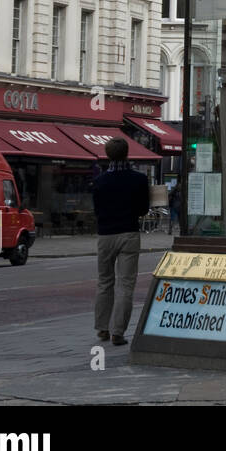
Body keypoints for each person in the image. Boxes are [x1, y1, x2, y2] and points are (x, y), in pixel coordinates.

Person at [92, 137, 148, 346]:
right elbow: (143, 209)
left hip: (105, 235)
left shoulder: (99, 181)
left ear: (108, 155)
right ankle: (118, 331)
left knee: (105, 281)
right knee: (125, 284)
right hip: (128, 233)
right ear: (127, 153)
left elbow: (97, 211)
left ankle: (102, 328)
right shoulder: (139, 180)